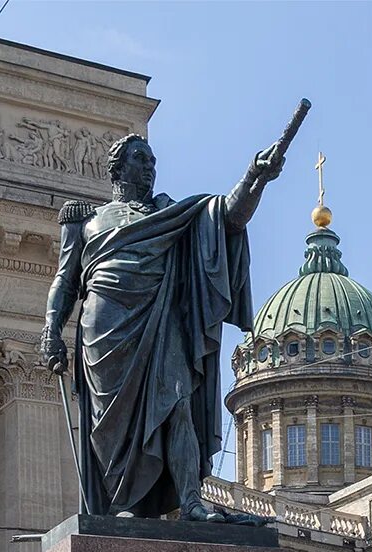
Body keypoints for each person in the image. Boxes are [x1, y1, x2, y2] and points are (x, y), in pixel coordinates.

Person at [39, 131, 286, 521]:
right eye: (142, 160)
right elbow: (66, 280)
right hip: (105, 325)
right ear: (118, 167)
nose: (151, 168)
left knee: (178, 403)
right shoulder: (85, 219)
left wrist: (255, 178)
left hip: (160, 317)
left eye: (153, 162)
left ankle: (190, 500)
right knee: (111, 426)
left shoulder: (167, 212)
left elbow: (226, 218)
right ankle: (122, 504)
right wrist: (51, 331)